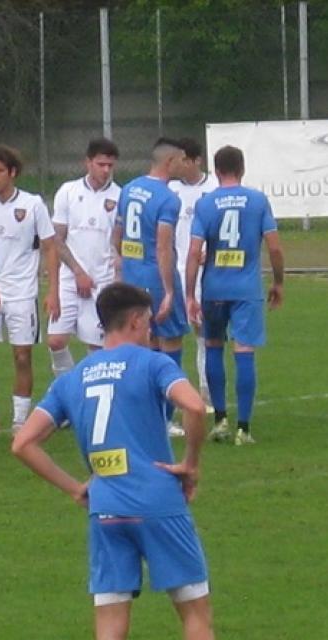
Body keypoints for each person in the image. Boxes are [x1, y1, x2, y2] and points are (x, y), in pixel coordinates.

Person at [11, 282, 218, 640]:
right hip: (157, 501)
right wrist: (191, 464)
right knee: (195, 613)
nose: (151, 332)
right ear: (138, 321)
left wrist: (76, 488)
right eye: (149, 324)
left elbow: (23, 444)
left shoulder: (72, 378)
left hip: (105, 507)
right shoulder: (154, 363)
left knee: (109, 625)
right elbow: (193, 406)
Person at [186, 145, 285, 446]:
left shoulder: (206, 203)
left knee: (213, 347)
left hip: (215, 288)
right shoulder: (257, 201)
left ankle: (220, 422)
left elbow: (193, 252)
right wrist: (278, 282)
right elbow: (275, 247)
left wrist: (190, 294)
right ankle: (244, 428)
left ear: (216, 172)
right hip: (246, 289)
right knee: (244, 352)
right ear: (242, 169)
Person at [0, 145, 59, 442]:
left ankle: (20, 423)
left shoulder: (32, 205)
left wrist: (53, 290)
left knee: (22, 357)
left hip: (22, 293)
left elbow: (49, 247)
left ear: (13, 173)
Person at [112, 137, 189, 436]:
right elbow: (164, 248)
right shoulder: (168, 199)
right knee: (171, 344)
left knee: (143, 346)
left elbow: (117, 235)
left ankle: (138, 413)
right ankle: (165, 418)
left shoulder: (129, 188)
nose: (185, 164)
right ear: (170, 162)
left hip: (132, 279)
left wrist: (123, 266)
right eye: (182, 159)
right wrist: (169, 291)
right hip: (154, 279)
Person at [46, 139, 122, 374]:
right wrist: (78, 273)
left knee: (97, 347)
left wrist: (117, 277)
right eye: (101, 164)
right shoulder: (68, 191)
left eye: (110, 165)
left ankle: (92, 395)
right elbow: (57, 239)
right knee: (55, 341)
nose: (106, 170)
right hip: (70, 280)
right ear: (87, 162)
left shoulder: (121, 196)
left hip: (103, 281)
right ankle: (68, 390)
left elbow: (119, 243)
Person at [169, 138, 219, 412]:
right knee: (169, 333)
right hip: (171, 271)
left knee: (203, 332)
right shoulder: (170, 189)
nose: (178, 165)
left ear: (196, 160)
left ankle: (205, 392)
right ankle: (170, 396)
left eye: (183, 160)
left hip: (202, 272)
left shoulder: (212, 189)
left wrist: (209, 250)